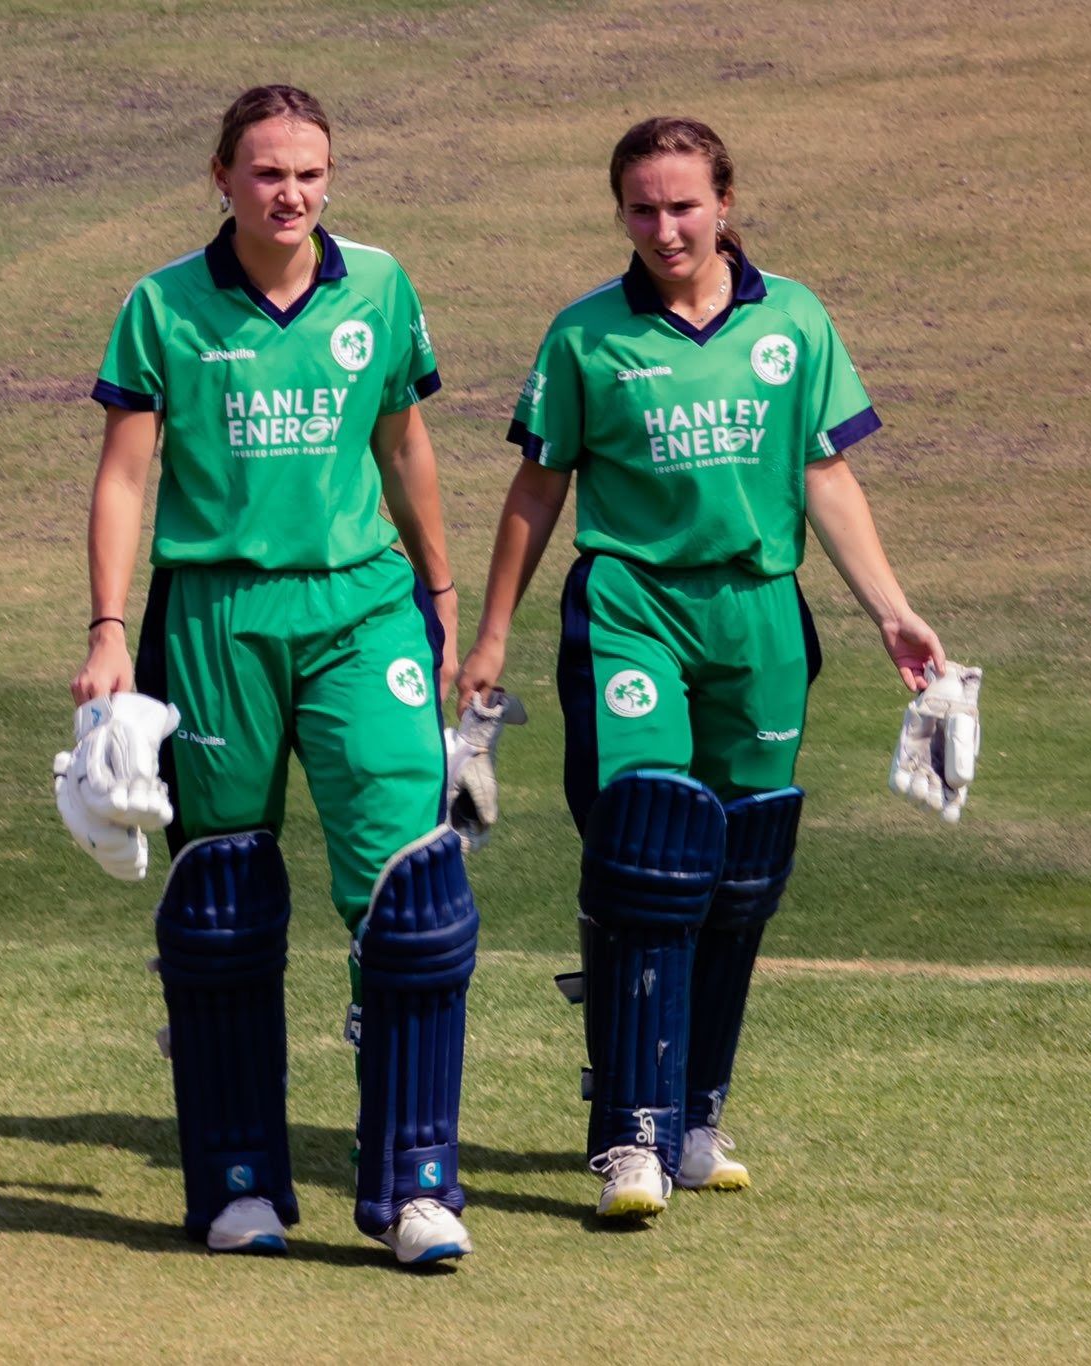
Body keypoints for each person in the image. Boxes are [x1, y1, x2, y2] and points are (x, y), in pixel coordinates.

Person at [455, 115, 948, 1220]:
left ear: (724, 202)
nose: (664, 227)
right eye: (641, 207)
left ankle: (693, 1116)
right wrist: (489, 635)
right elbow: (538, 488)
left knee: (740, 873)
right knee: (647, 849)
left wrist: (891, 612)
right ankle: (628, 1132)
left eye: (683, 204)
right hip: (632, 603)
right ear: (618, 211)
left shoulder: (793, 318)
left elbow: (821, 475)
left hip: (759, 611)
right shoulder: (587, 335)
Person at [71, 85, 478, 1265]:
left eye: (307, 171)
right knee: (221, 905)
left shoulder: (381, 286)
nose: (288, 192)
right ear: (221, 177)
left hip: (361, 606)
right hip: (216, 612)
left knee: (411, 899)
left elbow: (402, 439)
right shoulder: (162, 306)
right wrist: (107, 626)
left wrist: (440, 598)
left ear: (329, 177)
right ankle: (238, 1181)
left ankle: (413, 1190)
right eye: (264, 173)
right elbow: (122, 479)